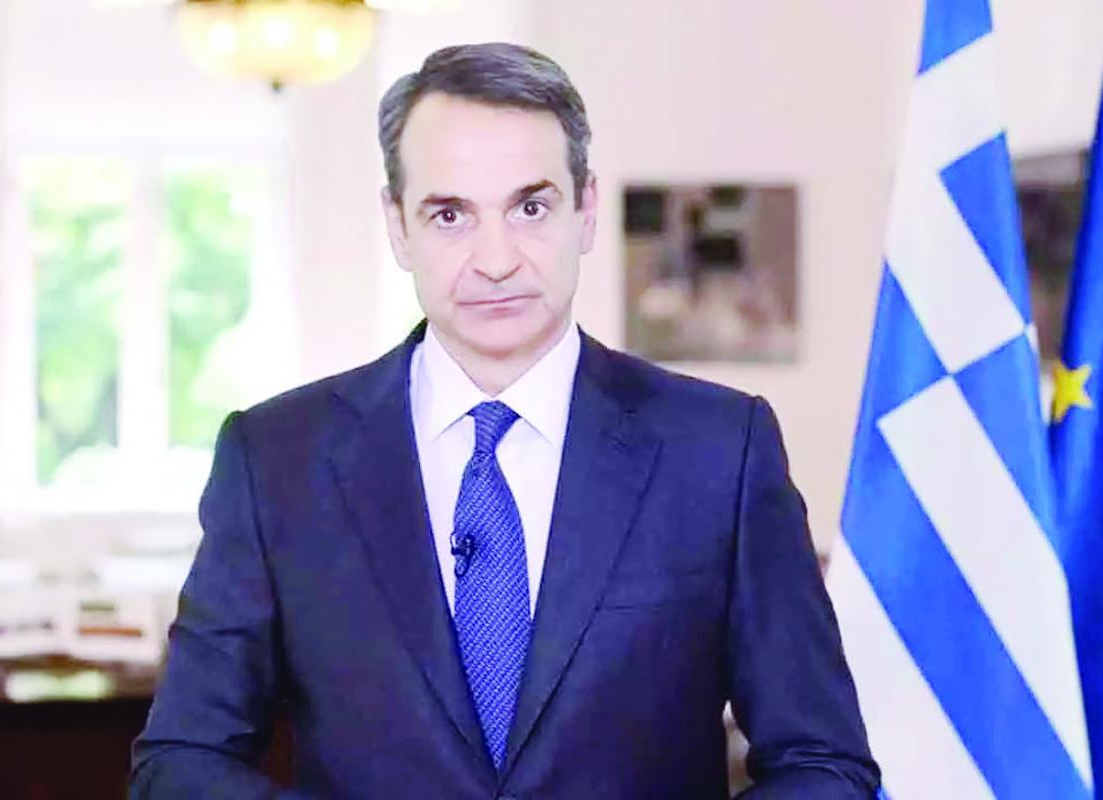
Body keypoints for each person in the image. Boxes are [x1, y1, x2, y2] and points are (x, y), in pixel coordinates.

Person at [130, 42, 879, 799]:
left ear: (586, 210)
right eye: (450, 214)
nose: (496, 259)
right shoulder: (277, 460)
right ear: (398, 227)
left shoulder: (719, 449)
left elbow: (824, 765)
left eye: (530, 207)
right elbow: (179, 762)